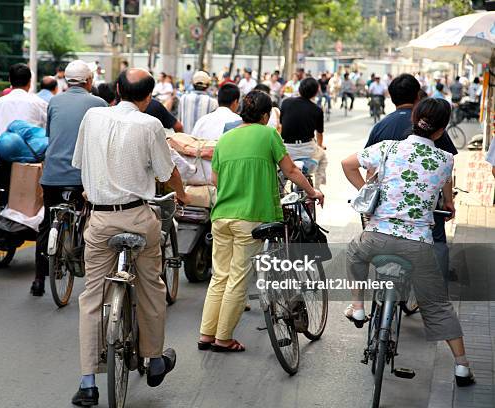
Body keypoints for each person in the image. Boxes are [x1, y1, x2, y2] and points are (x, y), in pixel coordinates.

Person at [71, 68, 187, 406]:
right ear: (149, 97)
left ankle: (88, 382)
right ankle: (153, 360)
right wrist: (181, 194)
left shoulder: (92, 117)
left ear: (117, 89)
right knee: (152, 285)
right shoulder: (150, 124)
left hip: (101, 219)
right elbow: (166, 173)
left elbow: (81, 163)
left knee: (93, 295)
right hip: (138, 217)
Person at [342, 98, 475, 388]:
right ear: (441, 131)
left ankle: (358, 306)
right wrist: (449, 204)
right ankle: (462, 366)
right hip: (418, 245)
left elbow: (347, 163)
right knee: (438, 305)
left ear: (414, 118)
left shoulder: (388, 148)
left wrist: (368, 193)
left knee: (353, 253)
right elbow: (444, 190)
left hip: (375, 239)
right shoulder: (445, 159)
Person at [197, 90, 323, 352]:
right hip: (249, 218)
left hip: (221, 217)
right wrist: (313, 192)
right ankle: (223, 338)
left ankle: (206, 335)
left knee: (219, 276)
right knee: (237, 279)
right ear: (266, 116)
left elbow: (215, 181)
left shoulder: (225, 139)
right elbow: (290, 170)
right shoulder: (268, 135)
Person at [364, 74, 458, 283]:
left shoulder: (381, 127)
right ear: (418, 96)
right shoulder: (433, 126)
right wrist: (449, 201)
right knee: (438, 241)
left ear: (391, 96)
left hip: (385, 212)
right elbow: (446, 172)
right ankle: (436, 290)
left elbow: (368, 171)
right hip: (422, 212)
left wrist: (368, 194)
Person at [31, 60, 107, 297]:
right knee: (90, 216)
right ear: (89, 81)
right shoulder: (99, 103)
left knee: (46, 223)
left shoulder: (54, 101)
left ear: (66, 80)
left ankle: (38, 280)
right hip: (81, 176)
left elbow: (51, 135)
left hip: (52, 174)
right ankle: (82, 255)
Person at [279, 78, 328, 189]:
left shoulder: (286, 103)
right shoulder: (317, 110)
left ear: (300, 89)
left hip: (287, 150)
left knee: (280, 176)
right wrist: (320, 146)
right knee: (323, 158)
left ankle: (279, 193)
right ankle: (316, 188)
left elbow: (281, 125)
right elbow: (319, 134)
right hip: (307, 150)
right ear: (316, 92)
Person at [0, 63, 47, 137]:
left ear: (10, 80)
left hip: (3, 147)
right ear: (30, 82)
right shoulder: (40, 103)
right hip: (33, 148)